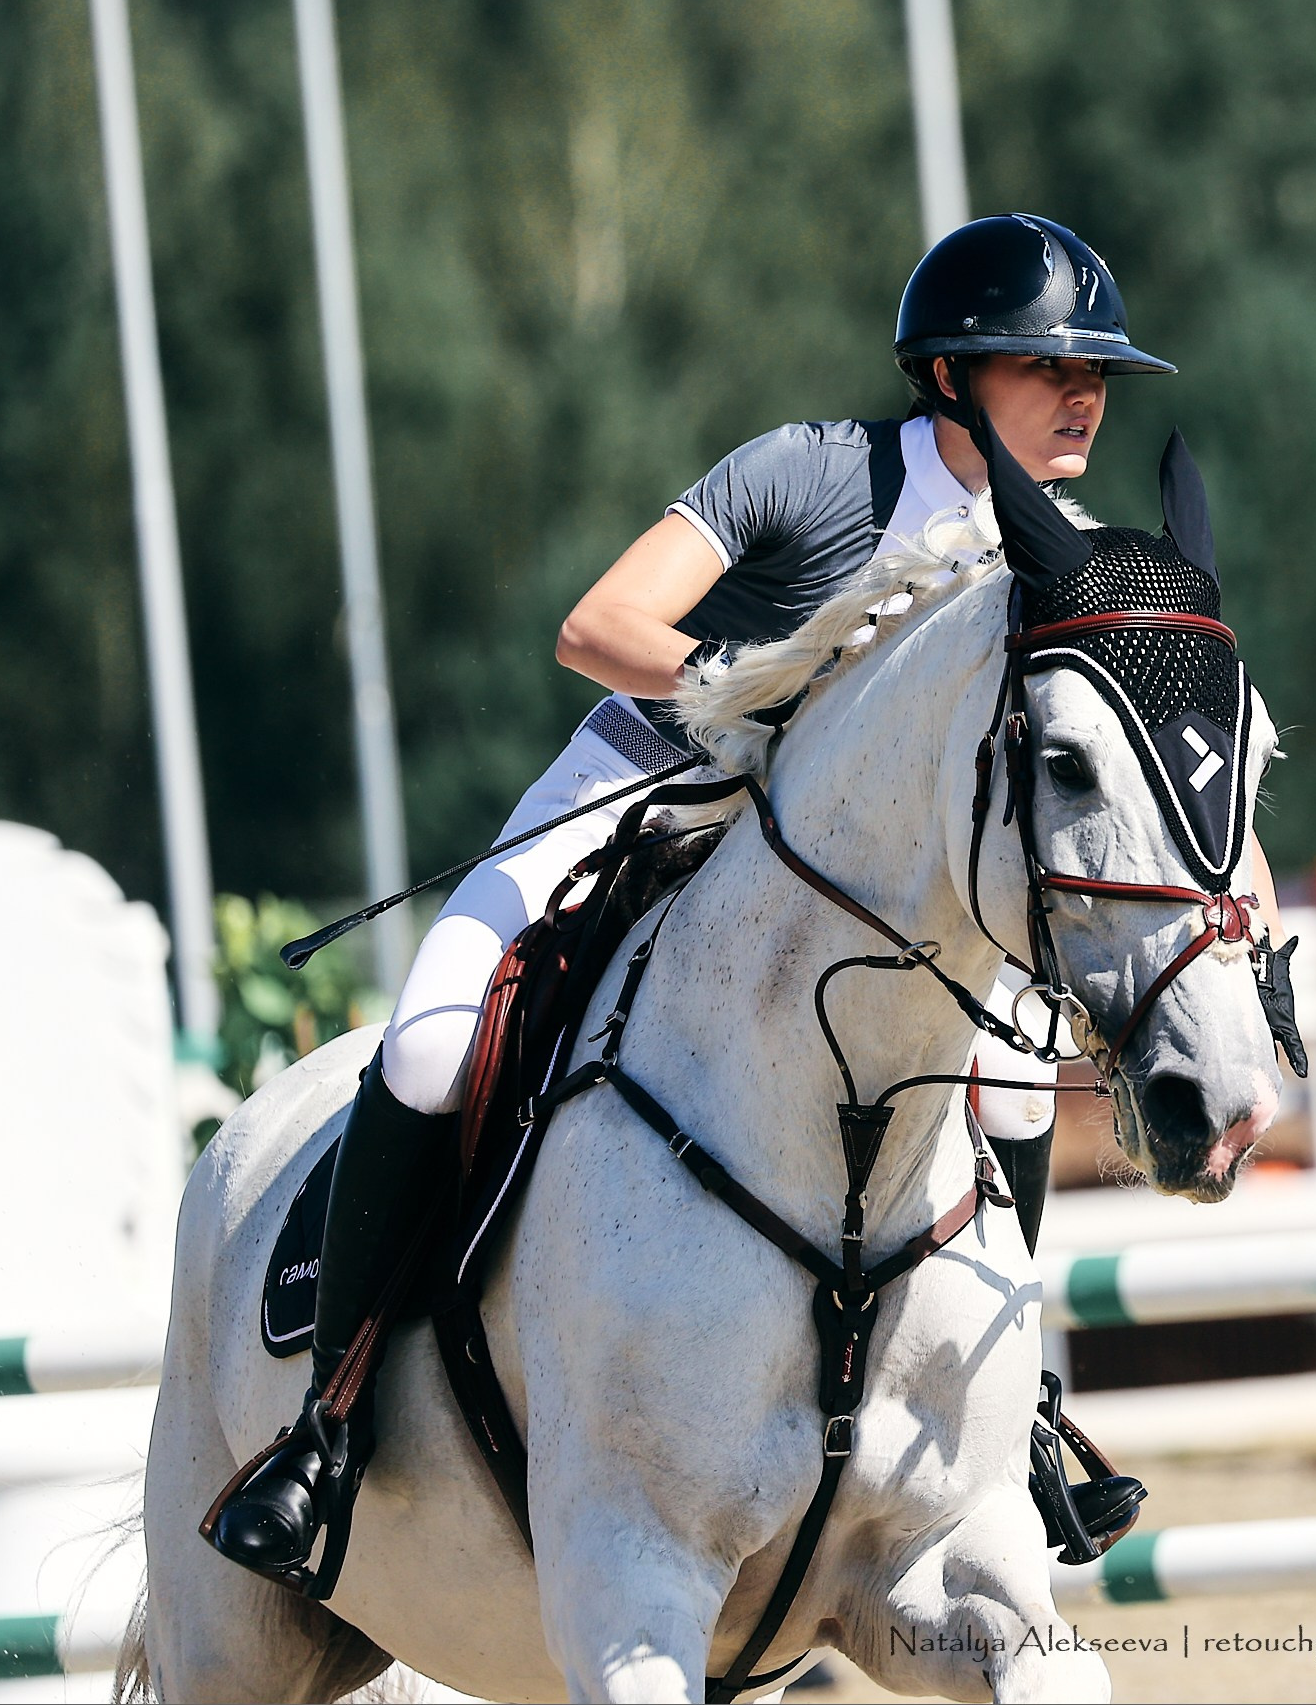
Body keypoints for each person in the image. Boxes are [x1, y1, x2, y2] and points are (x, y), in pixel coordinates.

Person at [209, 213, 1222, 1584]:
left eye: (1097, 371)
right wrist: (794, 693)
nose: (1085, 392)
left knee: (1019, 1081)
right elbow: (599, 627)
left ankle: (1019, 1415)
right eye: (1047, 364)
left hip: (852, 895)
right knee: (437, 1038)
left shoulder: (1065, 552)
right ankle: (324, 1433)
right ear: (947, 377)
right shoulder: (810, 474)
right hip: (640, 796)